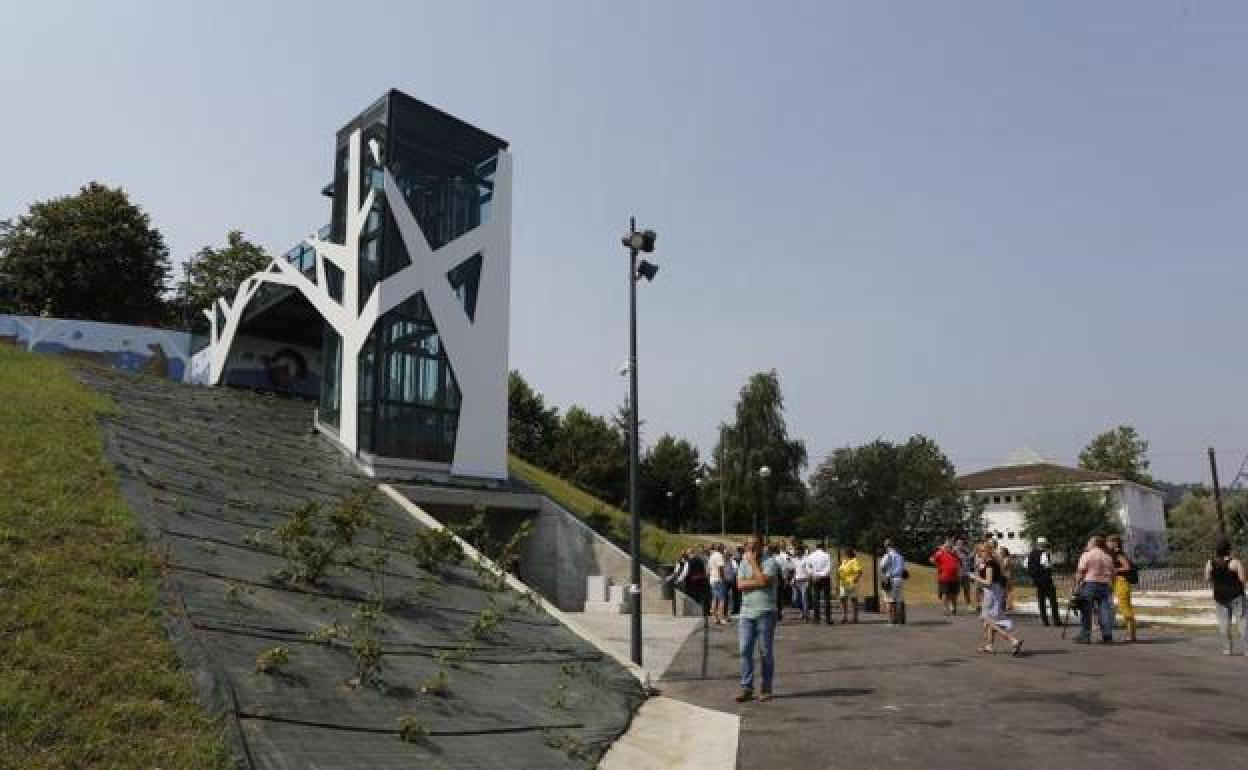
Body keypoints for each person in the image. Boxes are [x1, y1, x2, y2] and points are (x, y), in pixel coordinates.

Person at [735, 534, 779, 703]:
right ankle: (747, 688)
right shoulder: (742, 562)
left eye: (755, 545)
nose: (751, 548)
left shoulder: (771, 562)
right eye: (748, 545)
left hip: (766, 612)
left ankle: (766, 688)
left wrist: (753, 565)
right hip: (746, 613)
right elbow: (739, 585)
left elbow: (763, 581)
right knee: (745, 650)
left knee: (765, 652)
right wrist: (757, 580)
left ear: (762, 546)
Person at [972, 542, 1024, 655]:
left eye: (982, 551)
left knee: (988, 620)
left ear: (988, 551)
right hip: (995, 591)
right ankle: (989, 645)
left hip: (992, 593)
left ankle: (1013, 640)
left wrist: (974, 577)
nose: (980, 554)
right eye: (979, 551)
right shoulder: (990, 562)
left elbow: (988, 582)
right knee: (992, 620)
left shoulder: (990, 563)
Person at [1206, 539, 1247, 655]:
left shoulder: (1210, 563)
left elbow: (1207, 578)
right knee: (1242, 622)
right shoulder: (1235, 562)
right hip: (1236, 595)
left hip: (1220, 596)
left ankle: (1227, 649)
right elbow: (1243, 579)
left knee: (1224, 623)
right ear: (1229, 550)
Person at [1072, 535, 1116, 644]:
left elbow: (1081, 572)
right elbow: (1113, 573)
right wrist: (1111, 586)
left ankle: (1085, 636)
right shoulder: (1107, 556)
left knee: (1086, 610)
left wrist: (1076, 585)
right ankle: (1107, 636)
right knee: (1104, 611)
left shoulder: (1087, 555)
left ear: (1094, 544)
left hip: (1090, 584)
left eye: (1089, 542)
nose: (1087, 543)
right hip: (1105, 584)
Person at [1106, 534, 1137, 643]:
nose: (1107, 543)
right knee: (1124, 607)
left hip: (1122, 582)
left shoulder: (1118, 554)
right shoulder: (1114, 554)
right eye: (1107, 541)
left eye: (1109, 541)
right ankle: (1131, 634)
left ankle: (1131, 635)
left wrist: (1115, 569)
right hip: (1118, 582)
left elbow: (1127, 567)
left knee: (1125, 608)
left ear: (1115, 543)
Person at [1027, 536, 1061, 627]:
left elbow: (1027, 566)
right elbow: (1046, 566)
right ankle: (1056, 620)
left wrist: (1034, 577)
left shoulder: (1031, 554)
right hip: (1046, 580)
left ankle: (1045, 621)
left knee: (1041, 601)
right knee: (1053, 601)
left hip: (1037, 580)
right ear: (1045, 544)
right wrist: (1051, 566)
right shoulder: (1045, 554)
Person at [930, 538, 962, 616]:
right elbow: (931, 559)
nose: (949, 546)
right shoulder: (940, 553)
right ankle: (945, 609)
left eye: (950, 545)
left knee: (954, 594)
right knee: (945, 594)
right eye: (947, 545)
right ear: (944, 545)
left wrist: (956, 554)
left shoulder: (954, 554)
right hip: (944, 577)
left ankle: (953, 608)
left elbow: (960, 563)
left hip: (955, 578)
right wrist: (937, 564)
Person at [879, 539, 906, 625]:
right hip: (899, 578)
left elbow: (882, 567)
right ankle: (901, 619)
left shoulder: (887, 556)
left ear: (887, 546)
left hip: (890, 579)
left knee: (889, 600)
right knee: (899, 599)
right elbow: (903, 568)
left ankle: (891, 620)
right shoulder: (900, 556)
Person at [808, 542, 833, 624]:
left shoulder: (811, 556)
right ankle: (828, 618)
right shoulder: (826, 555)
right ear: (823, 547)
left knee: (816, 598)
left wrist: (814, 574)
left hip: (815, 578)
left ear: (816, 547)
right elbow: (829, 567)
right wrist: (822, 574)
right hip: (825, 578)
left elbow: (808, 567)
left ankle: (816, 618)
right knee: (827, 598)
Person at [837, 547, 863, 623]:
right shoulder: (844, 561)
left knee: (853, 600)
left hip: (851, 583)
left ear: (849, 553)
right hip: (843, 583)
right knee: (843, 599)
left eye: (846, 553)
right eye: (844, 553)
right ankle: (844, 617)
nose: (844, 554)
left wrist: (856, 578)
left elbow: (859, 571)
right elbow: (840, 570)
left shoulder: (854, 561)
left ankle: (855, 617)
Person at [707, 543, 728, 625]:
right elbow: (720, 568)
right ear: (721, 549)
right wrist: (723, 578)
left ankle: (715, 618)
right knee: (722, 599)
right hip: (718, 579)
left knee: (714, 598)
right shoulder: (719, 556)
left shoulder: (711, 556)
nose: (724, 551)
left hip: (712, 579)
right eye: (724, 549)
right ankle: (722, 618)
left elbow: (708, 570)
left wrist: (710, 578)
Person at [955, 536, 975, 609]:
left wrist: (971, 555)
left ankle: (969, 605)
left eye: (961, 543)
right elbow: (958, 558)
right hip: (957, 573)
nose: (960, 544)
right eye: (959, 543)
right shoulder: (954, 551)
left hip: (966, 573)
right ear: (956, 543)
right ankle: (953, 605)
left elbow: (970, 559)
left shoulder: (965, 550)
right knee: (956, 590)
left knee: (967, 589)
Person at [792, 544, 811, 621]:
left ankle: (805, 614)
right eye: (795, 550)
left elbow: (809, 570)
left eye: (797, 550)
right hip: (796, 580)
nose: (796, 552)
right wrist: (793, 579)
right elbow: (795, 570)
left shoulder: (806, 559)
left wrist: (809, 579)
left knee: (804, 598)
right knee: (796, 599)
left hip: (804, 580)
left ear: (801, 551)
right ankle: (802, 611)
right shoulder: (795, 560)